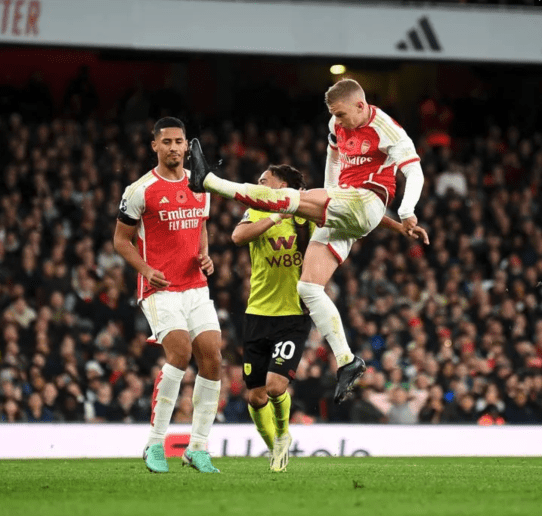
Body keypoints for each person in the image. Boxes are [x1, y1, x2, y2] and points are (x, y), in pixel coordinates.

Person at [189, 78, 428, 404]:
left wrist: (408, 211)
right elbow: (333, 155)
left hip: (367, 202)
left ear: (360, 106)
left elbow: (414, 172)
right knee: (308, 288)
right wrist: (333, 191)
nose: (338, 121)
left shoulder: (387, 129)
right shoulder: (337, 121)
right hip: (347, 205)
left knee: (284, 199)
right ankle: (347, 360)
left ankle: (208, 181)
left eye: (342, 114)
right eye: (334, 115)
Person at [114, 117, 222, 473]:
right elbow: (120, 240)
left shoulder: (200, 183)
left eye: (180, 141)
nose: (174, 147)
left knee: (212, 356)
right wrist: (145, 270)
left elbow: (200, 226)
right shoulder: (139, 190)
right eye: (167, 142)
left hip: (195, 285)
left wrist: (205, 255)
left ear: (187, 144)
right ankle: (155, 443)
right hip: (159, 288)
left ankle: (198, 447)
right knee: (180, 352)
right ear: (155, 146)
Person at [231, 165, 314, 472]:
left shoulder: (306, 218)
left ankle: (283, 434)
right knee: (255, 397)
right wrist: (277, 215)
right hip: (257, 313)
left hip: (293, 314)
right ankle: (274, 447)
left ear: (285, 185)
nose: (259, 184)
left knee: (276, 387)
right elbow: (238, 236)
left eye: (265, 180)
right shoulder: (257, 210)